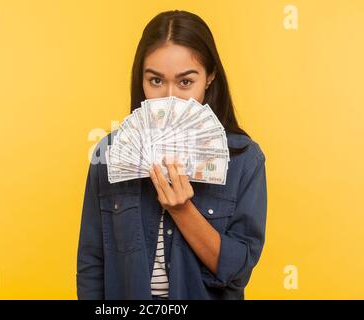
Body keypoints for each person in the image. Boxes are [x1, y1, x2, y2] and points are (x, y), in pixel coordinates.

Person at [77, 10, 267, 300]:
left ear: (210, 77)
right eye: (155, 81)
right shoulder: (110, 154)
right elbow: (92, 265)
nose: (169, 98)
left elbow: (237, 272)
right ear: (140, 79)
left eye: (185, 82)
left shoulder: (245, 160)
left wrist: (182, 210)